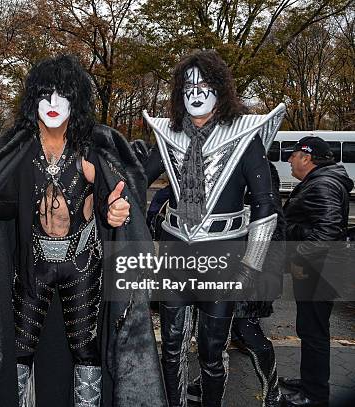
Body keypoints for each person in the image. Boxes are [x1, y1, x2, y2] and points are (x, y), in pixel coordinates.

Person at [0, 55, 166, 407]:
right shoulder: (22, 149)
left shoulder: (90, 150)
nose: (53, 104)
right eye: (45, 95)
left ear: (76, 100)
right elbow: (9, 207)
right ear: (34, 101)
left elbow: (111, 201)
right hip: (34, 266)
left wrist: (116, 212)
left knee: (86, 351)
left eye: (62, 95)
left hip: (82, 265)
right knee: (20, 349)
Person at [142, 49, 285, 407]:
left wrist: (252, 265)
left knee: (211, 351)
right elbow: (133, 177)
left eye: (204, 84)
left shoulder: (243, 138)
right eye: (187, 86)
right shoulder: (169, 137)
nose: (195, 93)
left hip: (224, 255)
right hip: (175, 252)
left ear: (220, 89)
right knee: (171, 348)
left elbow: (265, 206)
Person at [187, 161, 286, 407]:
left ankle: (273, 395)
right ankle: (206, 382)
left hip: (253, 266)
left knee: (245, 329)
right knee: (216, 331)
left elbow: (267, 223)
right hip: (222, 263)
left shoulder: (256, 166)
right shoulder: (221, 163)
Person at [279, 136, 353, 407]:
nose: (289, 160)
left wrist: (298, 257)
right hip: (320, 268)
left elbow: (328, 231)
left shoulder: (322, 184)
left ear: (306, 158)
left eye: (293, 155)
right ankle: (310, 382)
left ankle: (314, 395)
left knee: (313, 332)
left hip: (318, 270)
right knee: (310, 329)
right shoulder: (322, 180)